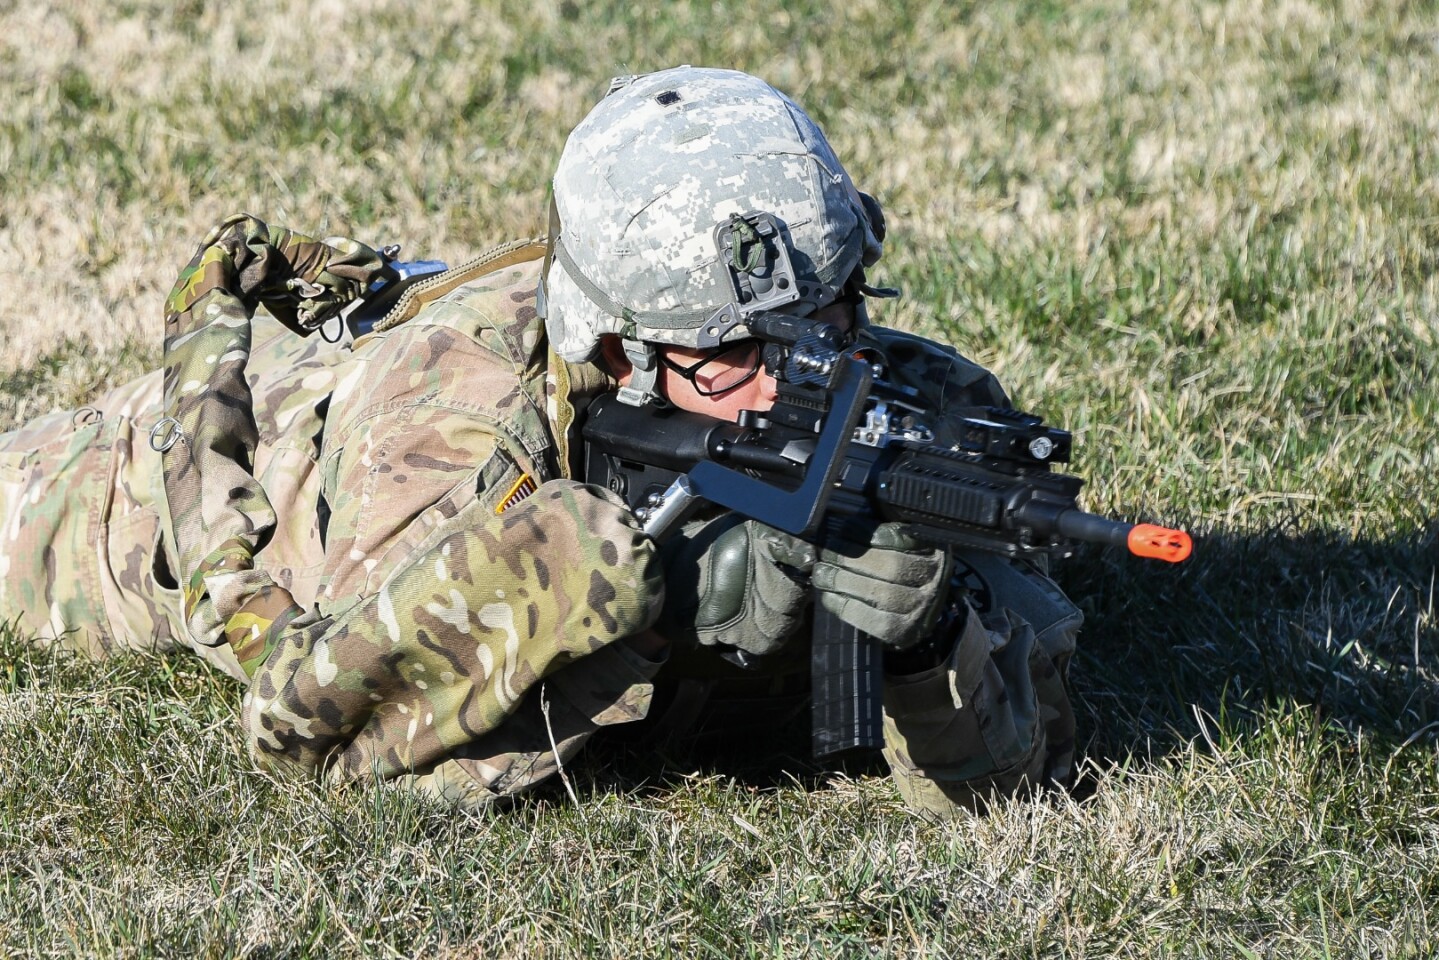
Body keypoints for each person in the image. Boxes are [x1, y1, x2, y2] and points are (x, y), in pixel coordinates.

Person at [0, 66, 1081, 816]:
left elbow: (1026, 749)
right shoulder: (450, 436)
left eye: (830, 316)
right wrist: (646, 616)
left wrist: (929, 645)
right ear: (619, 354)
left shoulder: (913, 409)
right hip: (115, 503)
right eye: (734, 353)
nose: (801, 378)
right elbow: (315, 739)